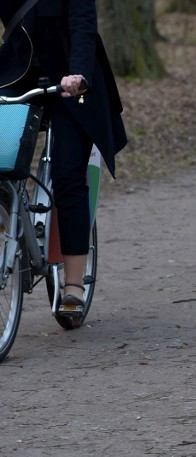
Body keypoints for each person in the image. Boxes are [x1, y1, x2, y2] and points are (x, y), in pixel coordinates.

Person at [0, 0, 127, 316]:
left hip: (72, 83)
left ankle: (73, 286)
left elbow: (83, 26)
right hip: (18, 78)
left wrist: (80, 73)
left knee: (68, 175)